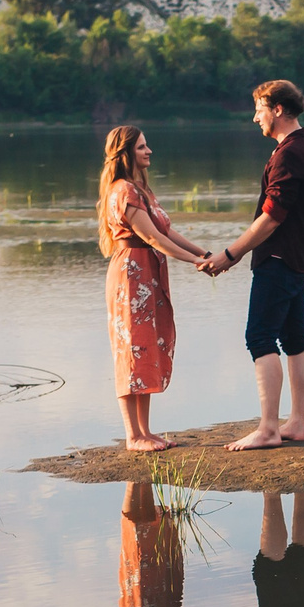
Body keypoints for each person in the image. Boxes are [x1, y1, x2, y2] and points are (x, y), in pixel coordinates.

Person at [199, 80, 304, 451]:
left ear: (278, 109)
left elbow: (271, 217)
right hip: (299, 259)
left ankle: (269, 429)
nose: (255, 118)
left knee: (260, 338)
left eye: (259, 109)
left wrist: (229, 255)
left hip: (281, 259)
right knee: (295, 338)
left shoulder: (288, 154)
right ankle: (297, 423)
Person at [101, 124, 217, 452]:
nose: (148, 151)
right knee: (130, 349)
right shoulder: (123, 191)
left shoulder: (142, 189)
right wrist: (195, 262)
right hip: (130, 275)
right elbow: (152, 238)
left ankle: (145, 431)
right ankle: (133, 435)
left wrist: (203, 253)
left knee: (146, 347)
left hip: (147, 273)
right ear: (125, 154)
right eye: (141, 147)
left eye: (146, 146)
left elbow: (167, 233)